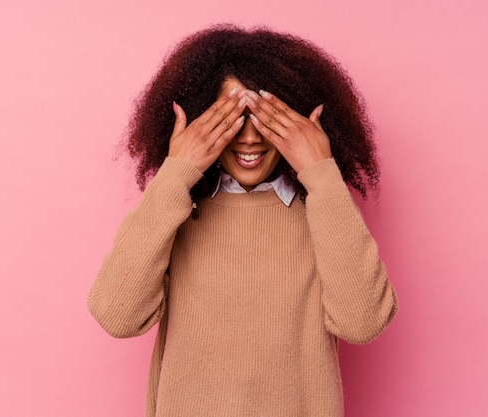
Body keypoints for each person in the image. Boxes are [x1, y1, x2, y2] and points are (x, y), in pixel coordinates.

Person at [88, 24, 398, 417]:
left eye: (265, 116)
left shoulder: (325, 213)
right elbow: (118, 316)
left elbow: (363, 323)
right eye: (231, 117)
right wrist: (175, 173)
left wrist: (321, 173)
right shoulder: (174, 210)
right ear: (202, 119)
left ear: (297, 121)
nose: (249, 137)